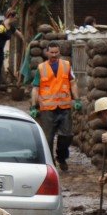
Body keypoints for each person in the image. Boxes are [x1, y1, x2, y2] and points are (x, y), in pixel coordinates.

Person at [31, 42, 82, 172]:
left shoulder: (66, 65)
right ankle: (51, 164)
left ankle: (62, 157)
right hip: (47, 110)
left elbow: (73, 83)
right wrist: (33, 106)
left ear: (59, 52)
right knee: (47, 138)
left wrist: (77, 99)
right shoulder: (41, 68)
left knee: (67, 135)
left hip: (64, 106)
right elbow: (36, 89)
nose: (54, 55)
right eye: (52, 52)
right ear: (47, 53)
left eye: (56, 52)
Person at [0, 10, 24, 89]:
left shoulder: (11, 28)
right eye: (15, 18)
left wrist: (24, 40)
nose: (16, 20)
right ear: (10, 16)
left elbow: (19, 34)